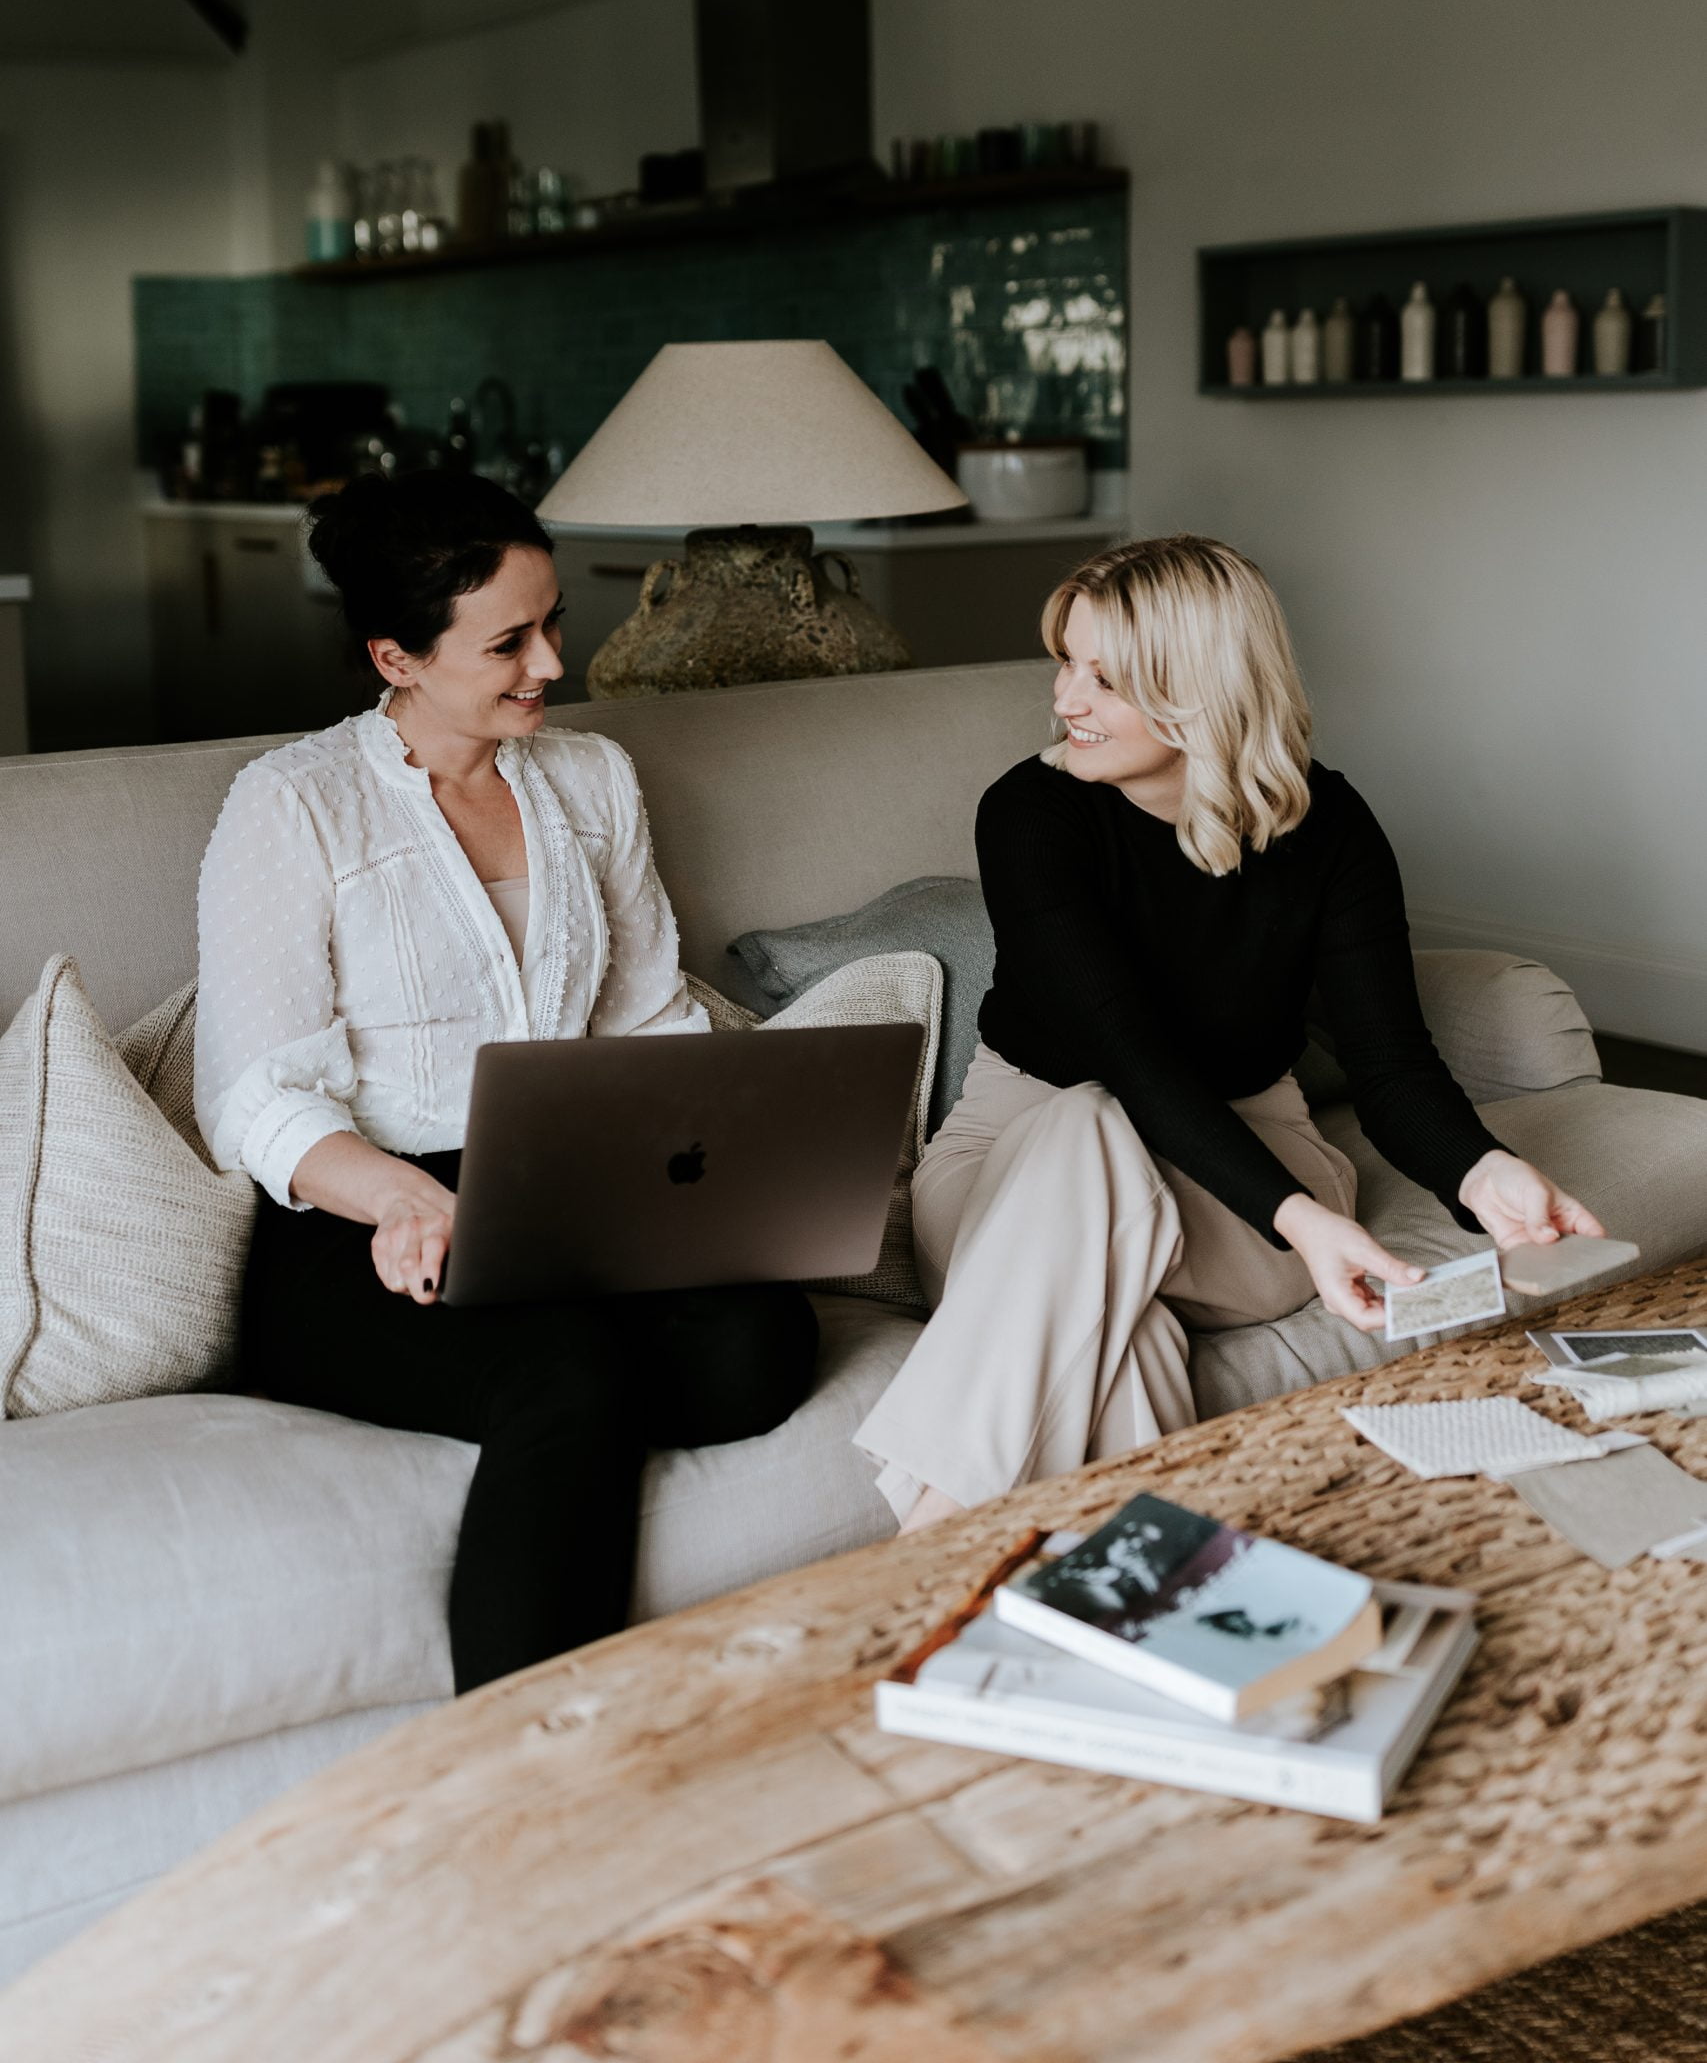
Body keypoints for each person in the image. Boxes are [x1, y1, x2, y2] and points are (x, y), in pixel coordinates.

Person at [195, 470, 818, 1691]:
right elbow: (257, 1092)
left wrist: (715, 1176)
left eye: (552, 625)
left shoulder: (591, 782)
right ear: (397, 657)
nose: (549, 662)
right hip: (360, 1221)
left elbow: (646, 1015)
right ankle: (527, 1745)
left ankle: (563, 1394)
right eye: (508, 642)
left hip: (565, 1192)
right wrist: (400, 1201)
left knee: (763, 1343)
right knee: (563, 1374)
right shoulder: (293, 803)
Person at [855, 532, 1600, 1534]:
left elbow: (1388, 1062)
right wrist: (1301, 1218)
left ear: (1201, 688)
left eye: (1106, 676)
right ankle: (1107, 1565)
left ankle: (930, 1544)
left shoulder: (1330, 828)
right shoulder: (1031, 815)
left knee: (1097, 1193)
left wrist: (1482, 1172)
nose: (1066, 699)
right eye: (1066, 661)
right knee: (1100, 1182)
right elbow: (1127, 1053)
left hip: (1248, 1165)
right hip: (1011, 1167)